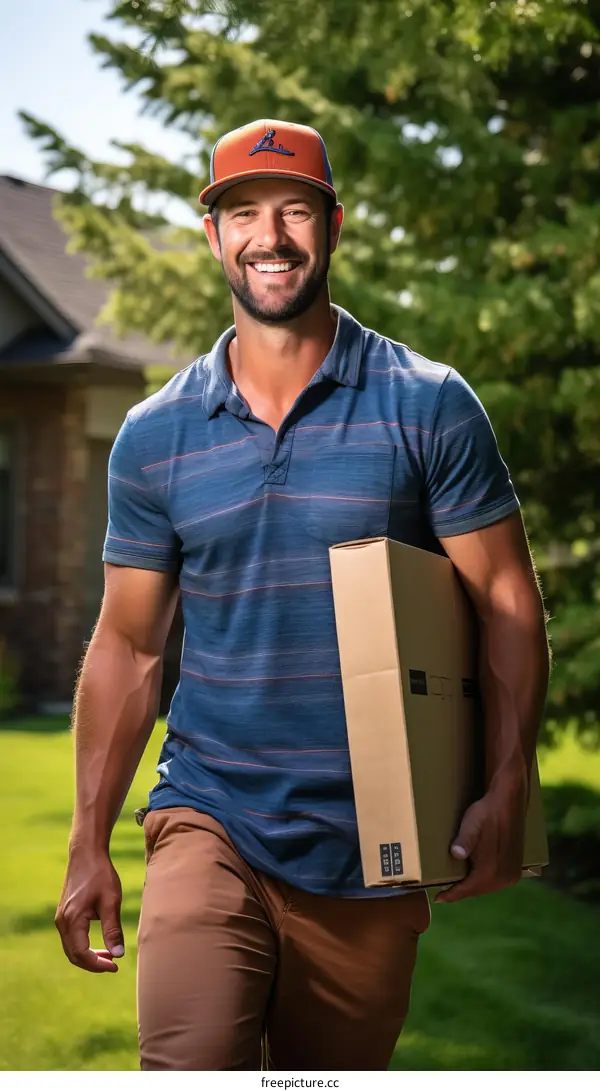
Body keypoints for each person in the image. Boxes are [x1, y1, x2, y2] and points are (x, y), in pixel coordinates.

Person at [55, 119, 550, 1071]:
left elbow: (506, 601)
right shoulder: (155, 435)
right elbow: (129, 646)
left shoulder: (428, 404)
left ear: (332, 226)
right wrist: (87, 838)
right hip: (209, 811)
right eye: (243, 213)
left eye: (294, 210)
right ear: (214, 235)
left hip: (376, 841)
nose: (269, 236)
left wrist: (507, 779)